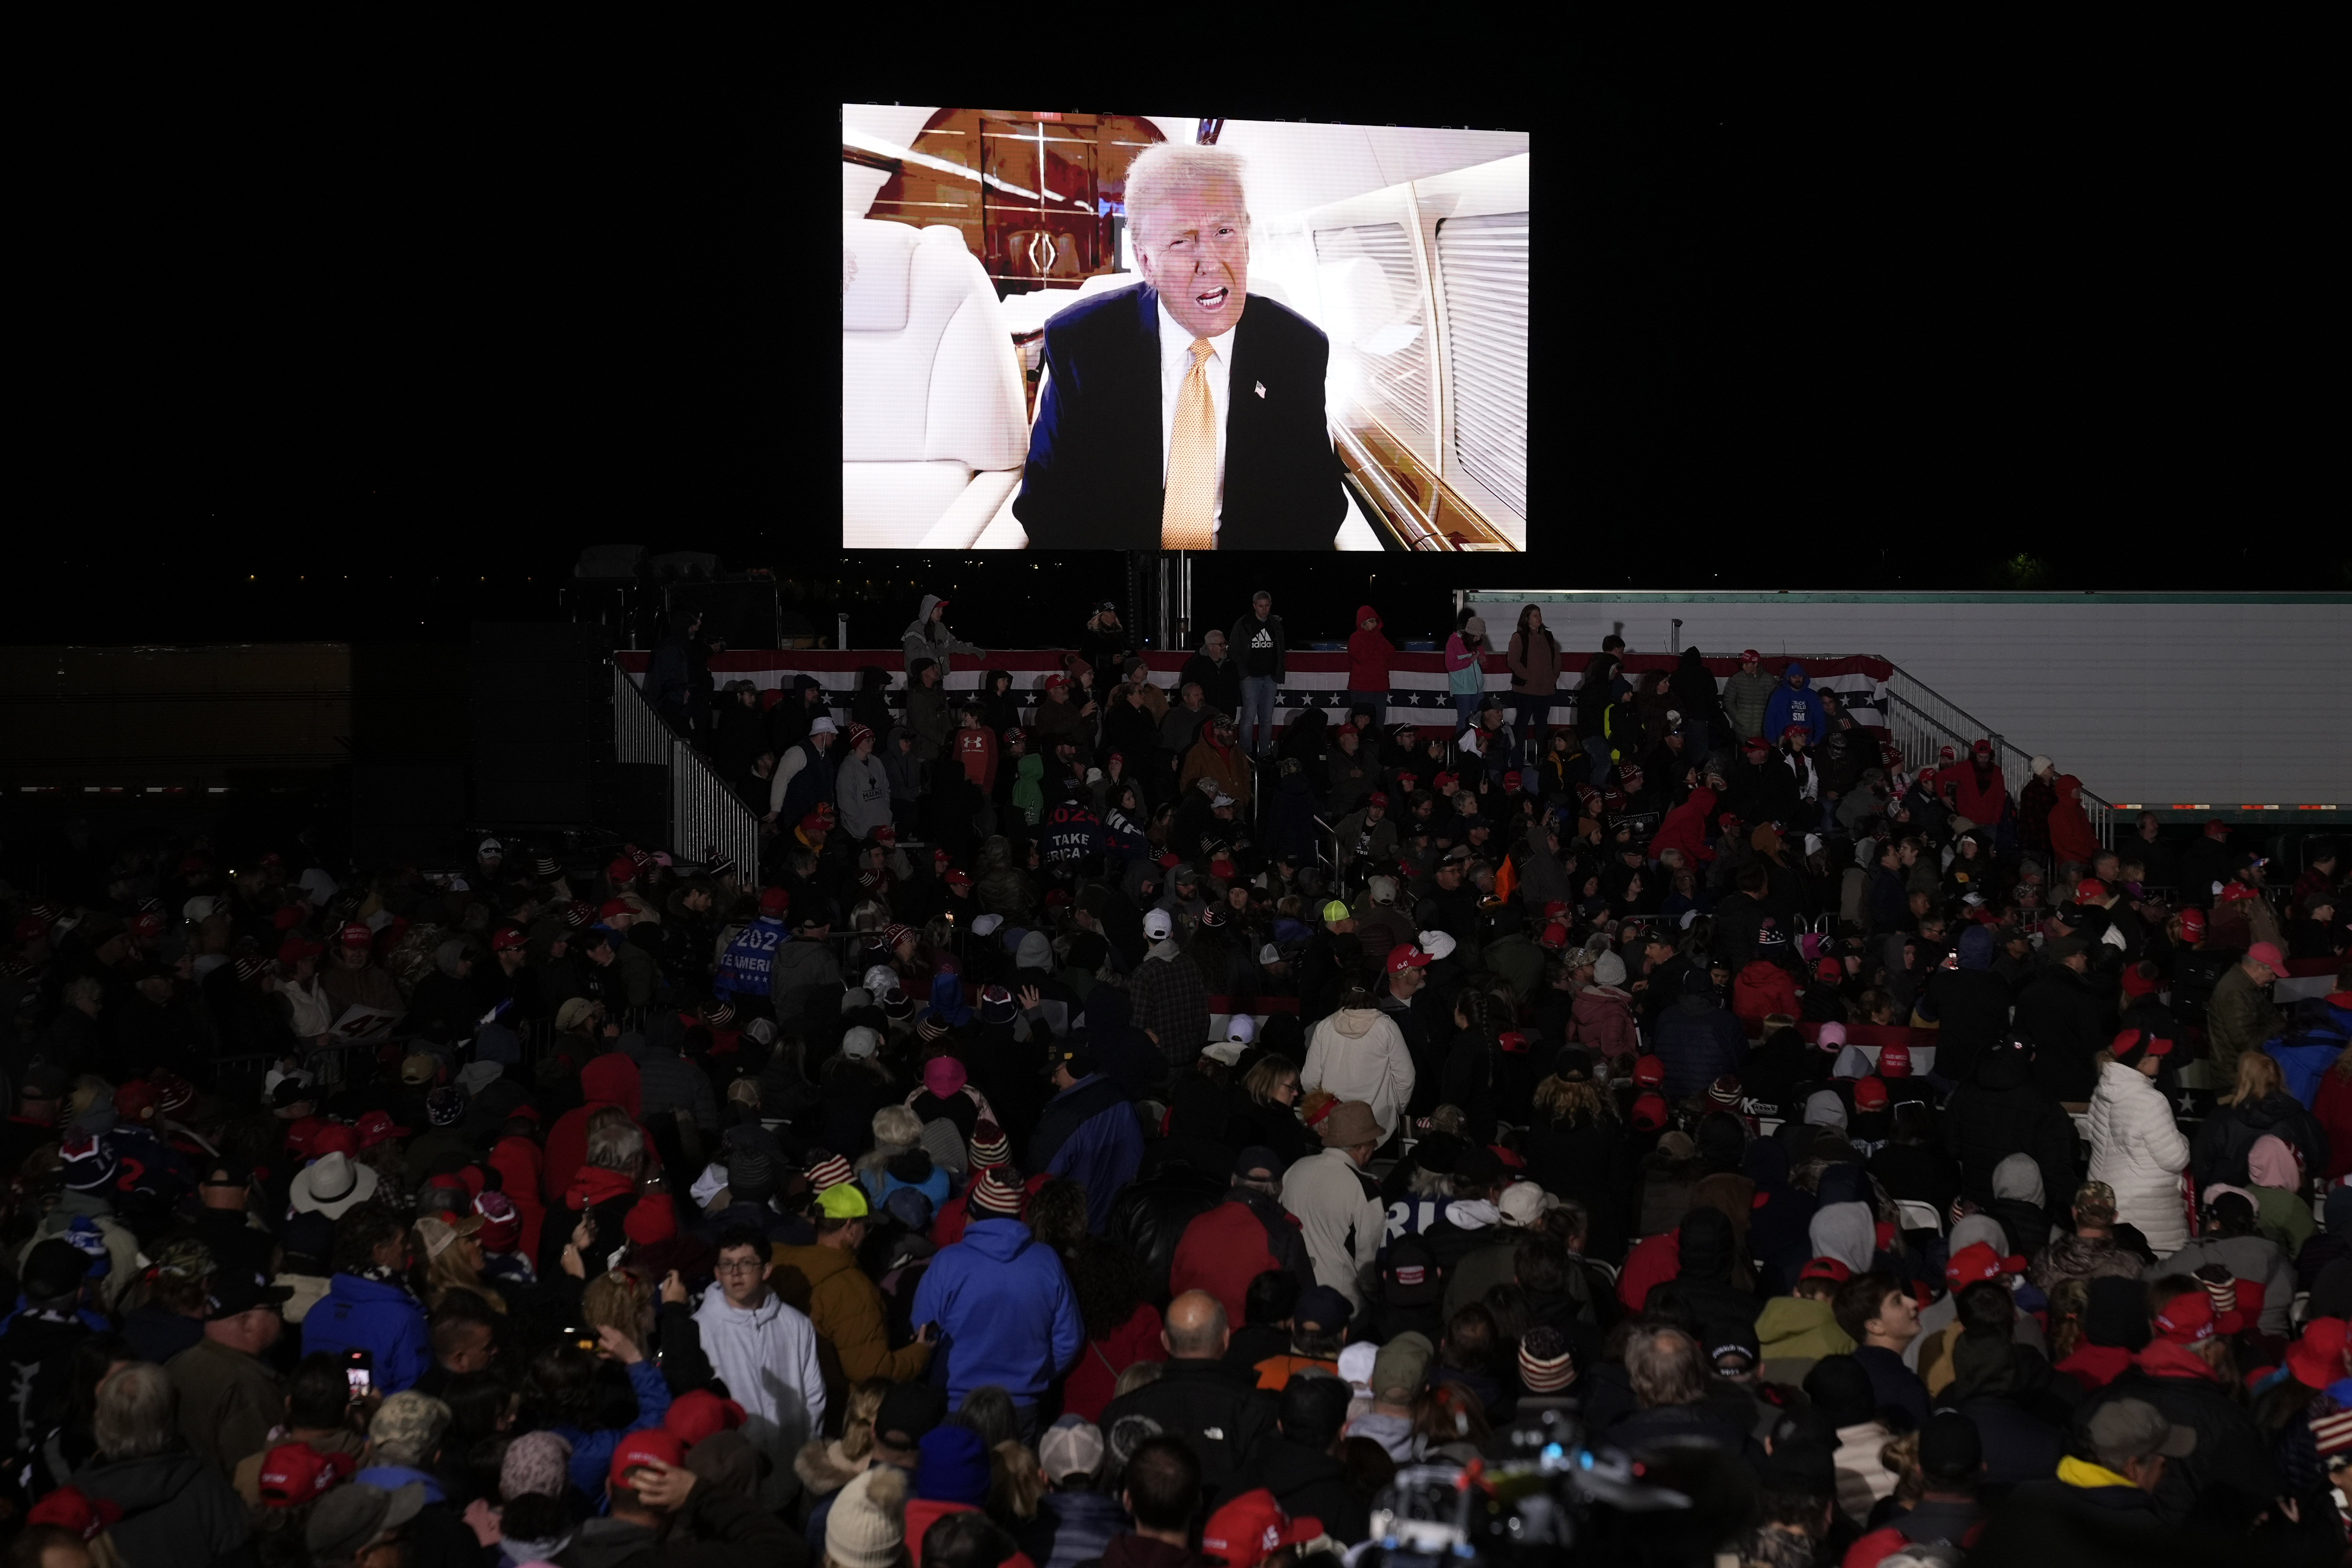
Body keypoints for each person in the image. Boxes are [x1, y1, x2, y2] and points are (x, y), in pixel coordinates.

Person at [1012, 144, 1346, 550]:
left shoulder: (1297, 349)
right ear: (1146, 261)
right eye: (1182, 243)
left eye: (1224, 232)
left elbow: (1319, 509)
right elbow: (1045, 508)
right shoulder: (1082, 344)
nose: (1210, 261)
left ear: (1247, 239)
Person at [911, 1168, 1086, 1428]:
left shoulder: (947, 1263)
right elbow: (1069, 1339)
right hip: (1022, 1408)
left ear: (975, 1214)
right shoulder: (1047, 1261)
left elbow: (922, 1332)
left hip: (955, 1406)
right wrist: (1033, 1377)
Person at [1098, 1294, 1277, 1506]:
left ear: (1165, 1341)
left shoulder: (1120, 1410)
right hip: (1228, 1534)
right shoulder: (1257, 1411)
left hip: (1143, 1535)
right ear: (1226, 1339)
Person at [695, 1225, 828, 1508]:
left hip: (790, 1477)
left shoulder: (796, 1325)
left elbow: (814, 1397)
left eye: (746, 1264)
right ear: (717, 1273)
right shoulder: (700, 1330)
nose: (735, 1273)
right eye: (727, 1265)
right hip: (735, 1487)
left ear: (766, 1270)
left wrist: (810, 1464)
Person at [164, 1267, 291, 1475]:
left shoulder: (177, 1364)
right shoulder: (245, 1388)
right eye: (274, 1309)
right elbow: (259, 1476)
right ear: (246, 1322)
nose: (281, 1316)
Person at [2086, 1027, 2192, 1255]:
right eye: (2155, 1054)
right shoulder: (2151, 1101)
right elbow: (2175, 1159)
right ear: (2139, 1062)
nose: (2161, 1057)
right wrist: (2182, 1138)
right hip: (2146, 1217)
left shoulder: (2100, 1092)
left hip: (2106, 1203)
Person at [1279, 1100, 1388, 1313]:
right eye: (1372, 1141)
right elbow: (1368, 1261)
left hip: (1296, 1292)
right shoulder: (1364, 1188)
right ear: (1360, 1146)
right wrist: (1377, 1301)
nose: (1375, 1146)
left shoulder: (1296, 1170)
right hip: (1341, 1301)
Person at [1230, 591, 1287, 758]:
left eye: (1267, 606)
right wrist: (1244, 674)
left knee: (1267, 719)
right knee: (1248, 717)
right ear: (1255, 606)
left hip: (1269, 677)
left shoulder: (1275, 624)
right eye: (1261, 606)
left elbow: (1281, 650)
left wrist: (1277, 672)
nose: (1264, 610)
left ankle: (1265, 753)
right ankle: (1246, 753)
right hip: (1251, 678)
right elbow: (1234, 650)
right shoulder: (1244, 624)